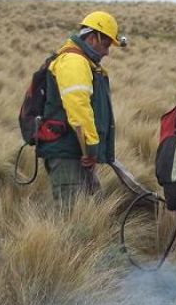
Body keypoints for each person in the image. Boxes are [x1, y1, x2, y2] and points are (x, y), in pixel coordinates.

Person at [37, 11, 121, 206]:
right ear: (93, 38)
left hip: (77, 153)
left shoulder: (84, 62)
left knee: (91, 208)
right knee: (72, 218)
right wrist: (90, 148)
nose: (107, 52)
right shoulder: (74, 62)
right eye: (106, 44)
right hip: (69, 153)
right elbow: (79, 108)